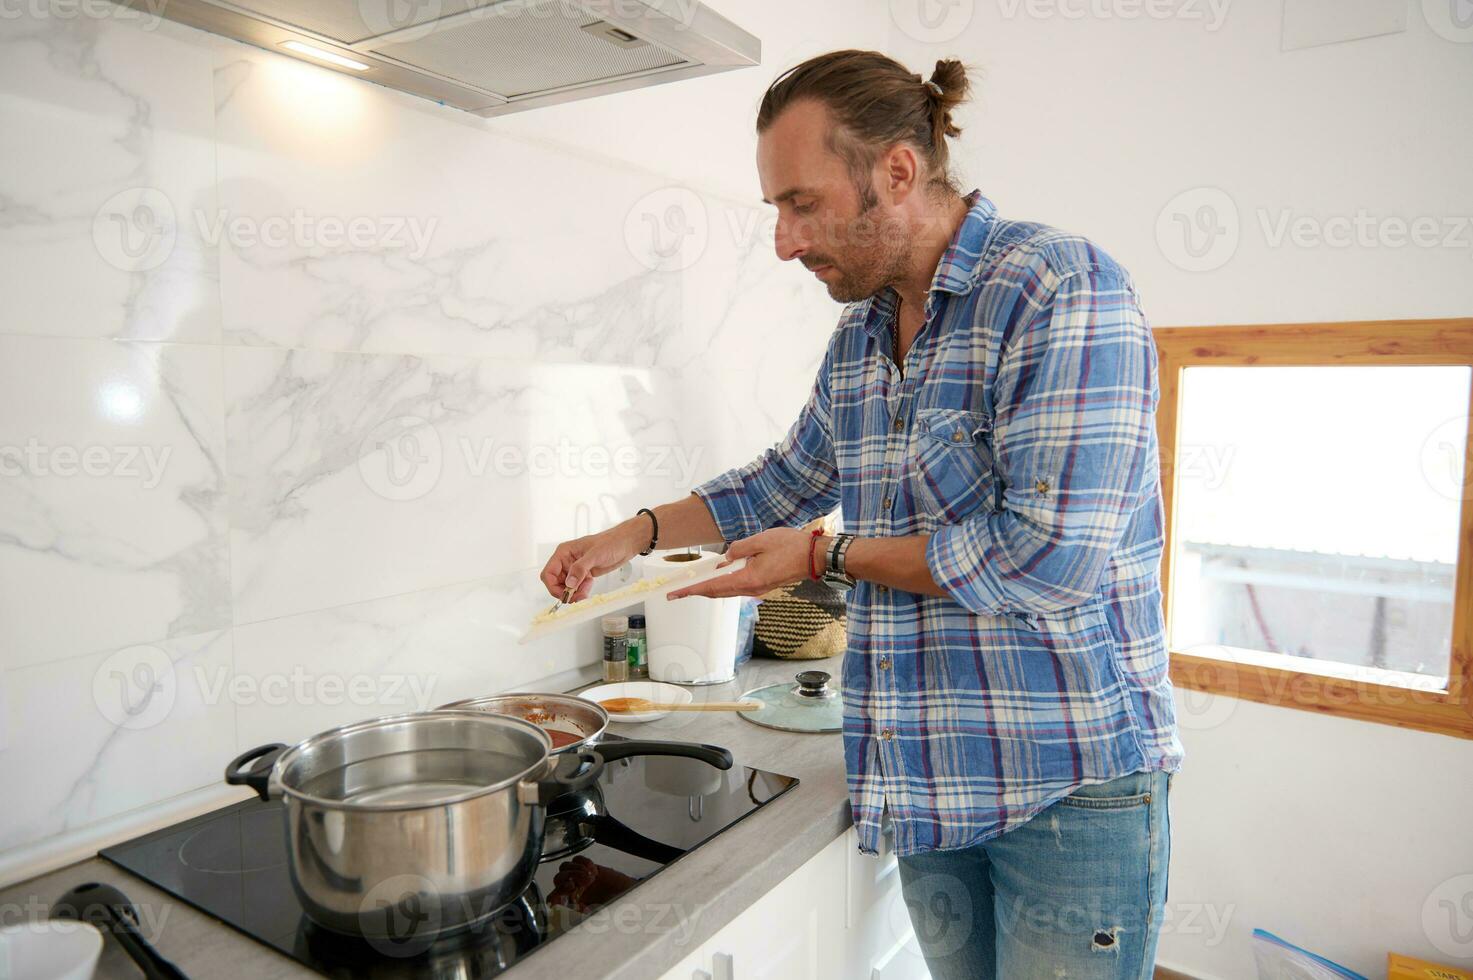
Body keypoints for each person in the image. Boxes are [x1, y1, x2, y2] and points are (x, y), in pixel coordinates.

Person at [539, 49, 1183, 979]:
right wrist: (628, 535)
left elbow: (1046, 562)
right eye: (776, 211)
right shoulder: (861, 336)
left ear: (896, 170)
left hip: (1067, 788)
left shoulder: (1058, 289)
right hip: (926, 784)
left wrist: (825, 555)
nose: (785, 242)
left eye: (802, 204)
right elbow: (779, 481)